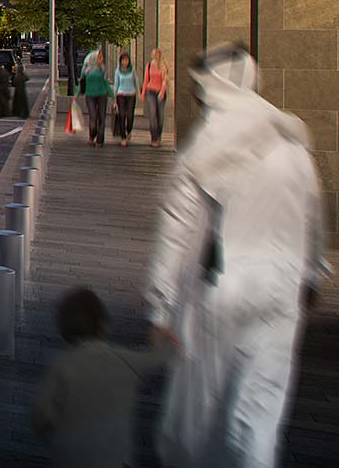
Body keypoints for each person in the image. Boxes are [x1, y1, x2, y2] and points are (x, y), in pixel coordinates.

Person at [148, 44, 326, 468]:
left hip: (222, 289)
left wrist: (160, 307)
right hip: (282, 290)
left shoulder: (208, 143)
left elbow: (176, 226)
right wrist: (314, 274)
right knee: (260, 413)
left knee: (199, 412)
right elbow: (312, 215)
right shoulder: (291, 140)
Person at [31, 287, 172, 468]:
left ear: (63, 329)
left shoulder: (62, 366)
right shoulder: (124, 360)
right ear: (104, 326)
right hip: (113, 458)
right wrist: (165, 341)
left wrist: (48, 428)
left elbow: (41, 415)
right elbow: (155, 359)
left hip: (69, 457)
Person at [80, 49, 111, 146]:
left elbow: (106, 82)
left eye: (102, 57)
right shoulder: (87, 69)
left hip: (102, 95)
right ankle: (92, 136)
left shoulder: (103, 68)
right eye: (100, 57)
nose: (101, 59)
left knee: (102, 117)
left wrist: (112, 95)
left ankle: (100, 140)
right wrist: (77, 95)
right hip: (90, 95)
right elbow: (82, 81)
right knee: (93, 116)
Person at [143, 47, 171, 147]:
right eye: (154, 54)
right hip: (151, 91)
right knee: (153, 114)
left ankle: (159, 135)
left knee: (161, 116)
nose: (156, 56)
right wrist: (143, 94)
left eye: (158, 54)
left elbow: (165, 80)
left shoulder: (163, 65)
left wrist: (162, 92)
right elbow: (146, 80)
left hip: (161, 92)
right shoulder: (149, 65)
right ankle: (154, 138)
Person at [111, 52, 139, 146]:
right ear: (121, 61)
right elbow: (116, 84)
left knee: (130, 115)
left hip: (131, 94)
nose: (125, 62)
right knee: (122, 115)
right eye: (123, 60)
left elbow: (137, 81)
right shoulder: (118, 71)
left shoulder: (132, 70)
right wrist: (115, 99)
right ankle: (123, 137)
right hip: (121, 94)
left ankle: (129, 130)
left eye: (127, 60)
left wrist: (139, 92)